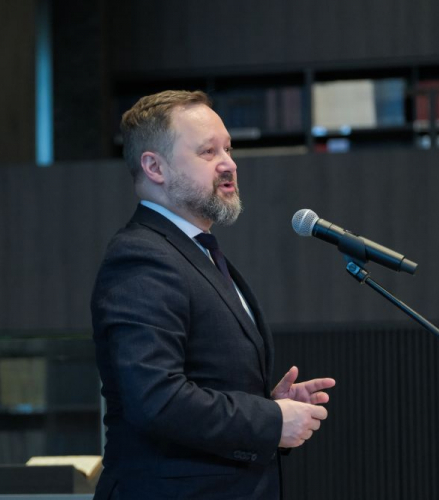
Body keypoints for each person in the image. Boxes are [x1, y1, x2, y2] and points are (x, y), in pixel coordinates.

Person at [91, 90, 336, 499]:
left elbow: (199, 381)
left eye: (228, 148)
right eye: (208, 152)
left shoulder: (194, 251)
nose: (229, 163)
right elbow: (156, 399)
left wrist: (266, 403)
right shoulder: (141, 257)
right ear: (155, 167)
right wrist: (269, 419)